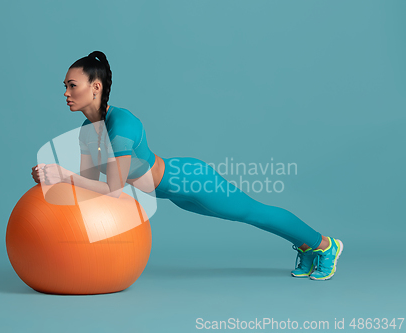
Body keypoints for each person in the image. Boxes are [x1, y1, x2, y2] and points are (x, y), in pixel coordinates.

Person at [31, 51, 344, 281]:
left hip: (190, 180)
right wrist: (55, 179)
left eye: (72, 85)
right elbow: (87, 181)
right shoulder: (89, 131)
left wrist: (63, 175)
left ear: (95, 87)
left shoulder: (121, 124)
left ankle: (323, 244)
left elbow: (112, 189)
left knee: (253, 212)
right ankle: (305, 246)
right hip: (174, 194)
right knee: (249, 215)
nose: (66, 93)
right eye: (66, 86)